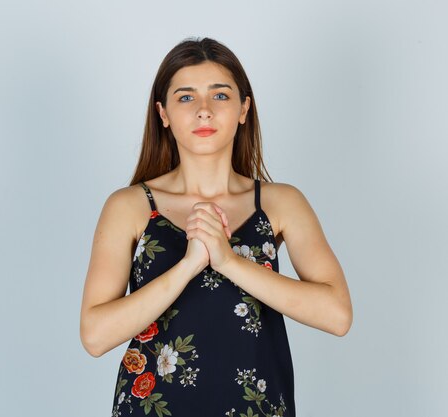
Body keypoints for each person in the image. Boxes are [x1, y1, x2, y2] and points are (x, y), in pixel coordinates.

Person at [79, 37, 352, 417]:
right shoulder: (130, 206)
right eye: (186, 97)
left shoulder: (280, 203)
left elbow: (337, 315)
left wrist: (227, 261)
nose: (204, 111)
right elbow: (94, 336)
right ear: (163, 113)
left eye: (220, 96)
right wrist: (190, 264)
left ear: (244, 108)